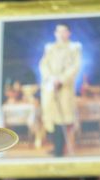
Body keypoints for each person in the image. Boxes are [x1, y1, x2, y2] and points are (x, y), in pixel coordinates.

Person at [39, 23, 82, 156]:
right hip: (50, 87)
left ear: (69, 33)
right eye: (58, 32)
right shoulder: (49, 48)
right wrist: (50, 78)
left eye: (64, 31)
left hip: (64, 88)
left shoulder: (74, 48)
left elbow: (75, 66)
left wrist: (61, 79)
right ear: (55, 34)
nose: (61, 34)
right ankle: (56, 147)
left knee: (62, 118)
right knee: (50, 118)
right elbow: (43, 64)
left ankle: (60, 150)